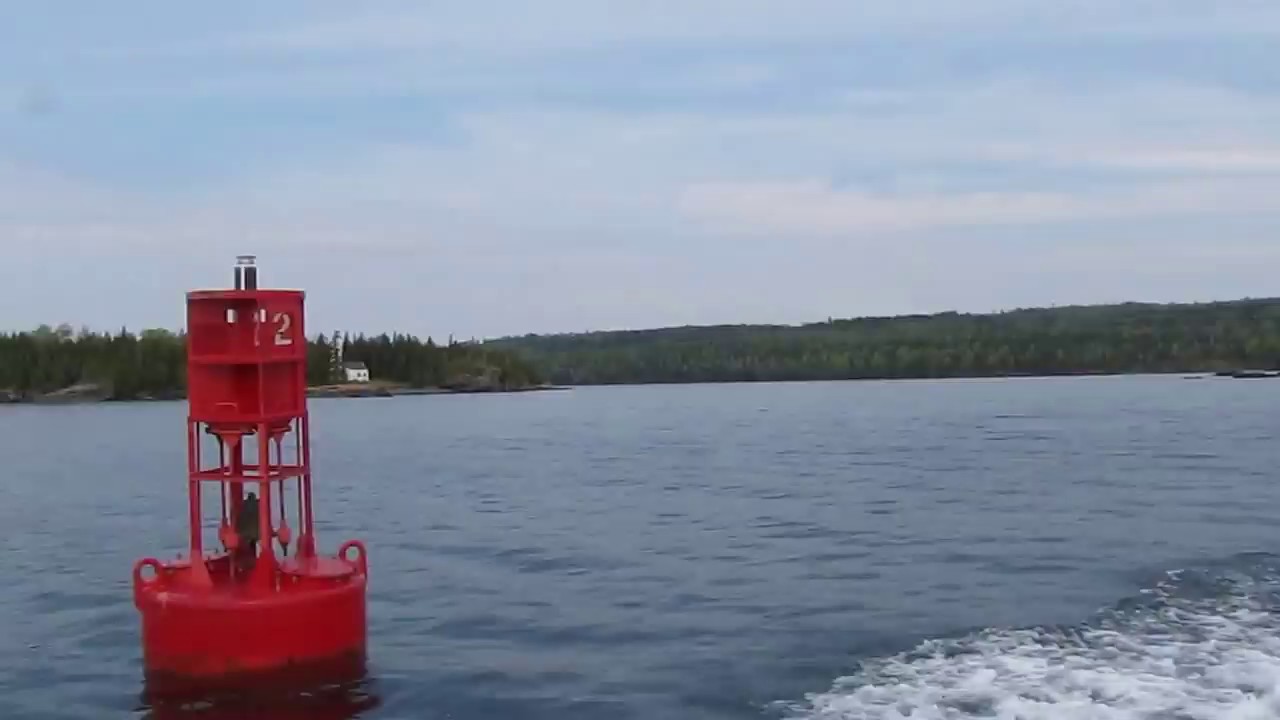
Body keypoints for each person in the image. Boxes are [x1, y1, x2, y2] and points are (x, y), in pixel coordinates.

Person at [236, 491, 260, 572]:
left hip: (246, 532)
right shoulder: (257, 505)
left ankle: (248, 563)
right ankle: (252, 562)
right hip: (255, 532)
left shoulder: (244, 506)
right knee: (252, 545)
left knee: (248, 546)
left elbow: (241, 518)